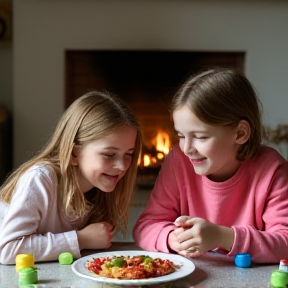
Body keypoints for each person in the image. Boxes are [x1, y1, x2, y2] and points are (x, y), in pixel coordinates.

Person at [133, 68, 288, 264]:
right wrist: (172, 238)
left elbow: (285, 242)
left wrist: (221, 237)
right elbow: (145, 226)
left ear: (240, 133)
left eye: (200, 137)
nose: (187, 148)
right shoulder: (178, 161)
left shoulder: (272, 170)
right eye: (180, 136)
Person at [0, 91, 142, 264]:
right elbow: (8, 249)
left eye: (129, 154)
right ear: (75, 152)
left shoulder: (98, 190)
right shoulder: (40, 179)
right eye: (109, 154)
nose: (122, 166)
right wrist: (81, 239)